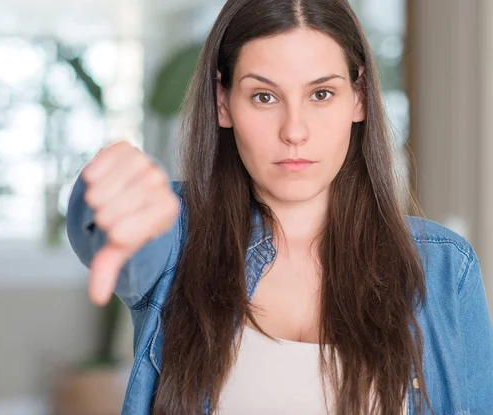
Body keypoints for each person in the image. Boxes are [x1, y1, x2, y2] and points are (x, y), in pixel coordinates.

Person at [66, 0, 493, 413]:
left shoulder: (445, 267)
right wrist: (105, 194)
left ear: (359, 97)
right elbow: (116, 228)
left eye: (321, 93)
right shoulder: (177, 238)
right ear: (223, 102)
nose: (294, 131)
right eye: (264, 97)